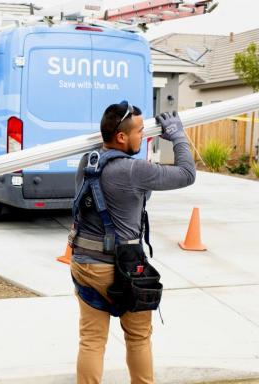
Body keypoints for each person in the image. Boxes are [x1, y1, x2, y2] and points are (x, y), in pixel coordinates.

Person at [70, 101, 196, 384]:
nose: (145, 136)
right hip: (122, 268)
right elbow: (187, 174)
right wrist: (177, 137)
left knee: (91, 340)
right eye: (141, 131)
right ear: (121, 137)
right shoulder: (135, 171)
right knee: (138, 338)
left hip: (83, 263)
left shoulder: (87, 162)